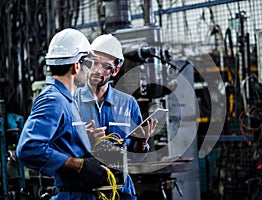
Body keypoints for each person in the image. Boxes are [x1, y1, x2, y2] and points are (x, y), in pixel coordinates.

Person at [16, 28, 111, 200]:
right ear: (76, 66)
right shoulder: (53, 100)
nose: (90, 71)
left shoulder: (67, 99)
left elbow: (59, 140)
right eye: (88, 64)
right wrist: (79, 165)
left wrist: (82, 138)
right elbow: (29, 149)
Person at [74, 34, 157, 200]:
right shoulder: (71, 101)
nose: (97, 70)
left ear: (115, 70)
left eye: (105, 66)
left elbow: (136, 151)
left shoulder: (128, 104)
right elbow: (58, 146)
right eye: (94, 62)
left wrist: (142, 141)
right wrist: (85, 138)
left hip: (121, 189)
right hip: (84, 189)